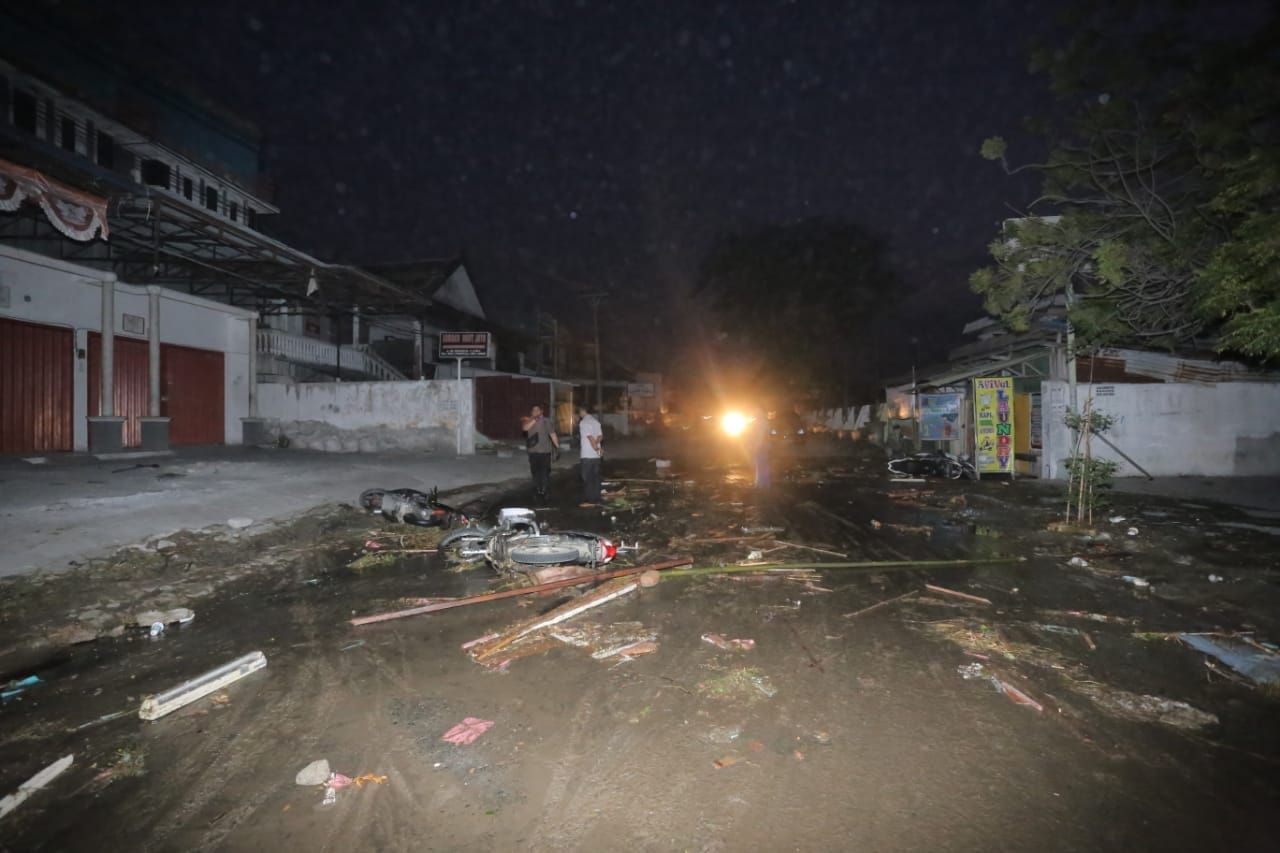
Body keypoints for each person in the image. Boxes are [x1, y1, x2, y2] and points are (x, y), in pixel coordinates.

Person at [520, 404, 559, 501]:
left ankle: (544, 489)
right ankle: (537, 488)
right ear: (531, 412)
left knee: (545, 471)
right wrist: (534, 420)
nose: (535, 412)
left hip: (545, 451)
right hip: (533, 452)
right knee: (535, 471)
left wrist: (557, 447)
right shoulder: (528, 420)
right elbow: (525, 428)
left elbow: (552, 434)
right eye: (533, 410)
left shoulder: (547, 421)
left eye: (537, 410)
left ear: (541, 411)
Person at [577, 406, 603, 505]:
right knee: (595, 477)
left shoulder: (584, 422)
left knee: (587, 477)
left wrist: (595, 447)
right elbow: (600, 436)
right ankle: (597, 498)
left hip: (587, 455)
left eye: (579, 411)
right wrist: (597, 449)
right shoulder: (596, 422)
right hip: (596, 456)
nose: (579, 414)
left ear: (583, 411)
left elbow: (590, 437)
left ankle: (590, 499)